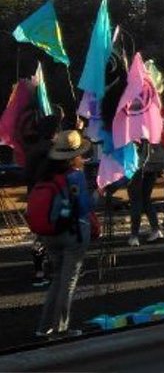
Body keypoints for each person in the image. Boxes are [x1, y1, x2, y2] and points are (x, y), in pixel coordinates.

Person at [34, 130, 96, 338]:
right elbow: (85, 206)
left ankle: (44, 327)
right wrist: (100, 193)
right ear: (75, 155)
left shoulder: (47, 174)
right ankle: (61, 329)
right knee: (68, 282)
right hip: (73, 233)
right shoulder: (75, 176)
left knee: (57, 279)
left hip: (50, 233)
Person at [24, 113, 63, 288]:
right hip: (53, 197)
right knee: (57, 233)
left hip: (34, 196)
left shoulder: (32, 149)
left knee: (39, 234)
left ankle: (39, 271)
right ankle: (58, 268)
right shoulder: (55, 150)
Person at [127, 141, 164, 246]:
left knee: (136, 200)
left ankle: (134, 235)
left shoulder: (135, 128)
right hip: (153, 165)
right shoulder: (153, 127)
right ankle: (155, 229)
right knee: (146, 199)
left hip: (138, 165)